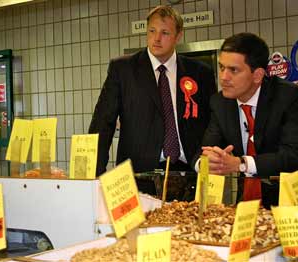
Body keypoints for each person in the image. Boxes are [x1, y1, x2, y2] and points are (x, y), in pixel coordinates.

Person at [89, 5, 217, 176]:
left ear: (178, 36)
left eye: (165, 33)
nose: (157, 38)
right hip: (139, 174)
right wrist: (95, 174)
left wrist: (206, 162)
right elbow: (103, 122)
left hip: (190, 172)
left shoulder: (200, 72)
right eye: (152, 31)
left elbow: (213, 122)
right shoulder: (123, 69)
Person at [196, 32, 298, 208]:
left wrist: (241, 164)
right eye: (222, 67)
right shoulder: (220, 102)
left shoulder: (287, 96)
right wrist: (209, 162)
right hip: (247, 206)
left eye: (233, 70)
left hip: (294, 200)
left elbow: (295, 155)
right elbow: (206, 149)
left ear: (258, 75)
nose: (223, 77)